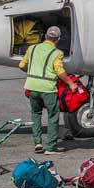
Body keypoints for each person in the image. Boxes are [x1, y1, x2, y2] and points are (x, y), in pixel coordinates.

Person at [18, 25, 66, 155]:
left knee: (36, 113)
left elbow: (21, 65)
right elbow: (60, 72)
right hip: (48, 89)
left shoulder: (32, 48)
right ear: (58, 39)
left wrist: (32, 71)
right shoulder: (57, 53)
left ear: (45, 36)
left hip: (32, 86)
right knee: (53, 116)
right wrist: (71, 83)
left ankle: (37, 143)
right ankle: (51, 147)